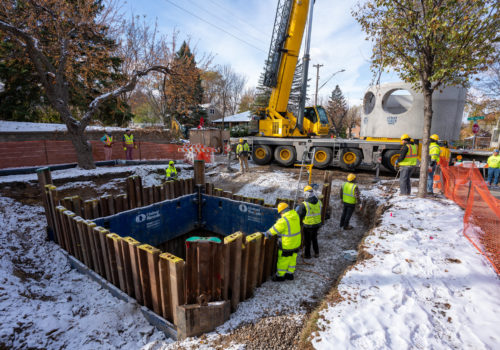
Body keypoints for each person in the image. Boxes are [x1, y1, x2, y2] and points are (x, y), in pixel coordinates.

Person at [265, 202, 301, 282]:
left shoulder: (283, 221)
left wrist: (266, 233)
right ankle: (290, 274)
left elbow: (273, 230)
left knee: (283, 260)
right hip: (296, 242)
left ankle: (280, 276)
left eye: (280, 212)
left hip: (287, 244)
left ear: (282, 211)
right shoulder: (295, 215)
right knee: (292, 258)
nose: (280, 214)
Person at [296, 185, 323, 259]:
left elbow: (299, 215)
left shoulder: (305, 204)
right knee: (314, 238)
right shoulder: (319, 202)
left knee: (307, 241)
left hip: (308, 225)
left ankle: (307, 255)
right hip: (317, 224)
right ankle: (316, 253)